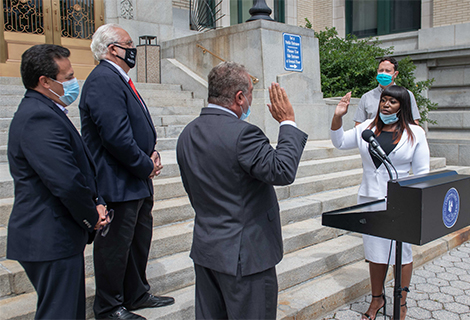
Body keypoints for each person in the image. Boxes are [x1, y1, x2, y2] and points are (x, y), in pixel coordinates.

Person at [176, 61, 308, 320]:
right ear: (239, 97)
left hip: (207, 249)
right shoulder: (244, 134)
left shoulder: (187, 133)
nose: (250, 100)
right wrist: (288, 123)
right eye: (250, 93)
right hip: (245, 256)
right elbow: (282, 170)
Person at [79, 24, 174, 320]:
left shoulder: (119, 79)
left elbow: (135, 126)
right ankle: (108, 306)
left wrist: (152, 152)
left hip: (135, 180)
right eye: (128, 44)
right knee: (114, 247)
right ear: (112, 49)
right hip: (117, 181)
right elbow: (116, 137)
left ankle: (135, 292)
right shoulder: (103, 80)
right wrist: (146, 164)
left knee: (137, 241)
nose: (133, 49)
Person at [7, 44, 108, 319]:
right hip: (48, 236)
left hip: (55, 236)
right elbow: (65, 180)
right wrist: (91, 215)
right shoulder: (38, 117)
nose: (74, 82)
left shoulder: (47, 110)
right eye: (68, 77)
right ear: (44, 81)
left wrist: (96, 202)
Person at [331, 85, 430, 320]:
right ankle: (377, 298)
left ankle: (401, 302)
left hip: (401, 202)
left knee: (402, 253)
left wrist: (415, 202)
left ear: (402, 106)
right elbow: (339, 142)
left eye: (393, 102)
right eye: (384, 100)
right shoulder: (366, 128)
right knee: (375, 253)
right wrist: (337, 116)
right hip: (370, 200)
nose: (386, 104)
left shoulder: (416, 134)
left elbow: (422, 172)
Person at [353, 57, 420, 126]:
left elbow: (414, 122)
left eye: (388, 71)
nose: (383, 73)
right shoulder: (367, 97)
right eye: (381, 70)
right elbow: (358, 124)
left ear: (395, 74)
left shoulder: (406, 94)